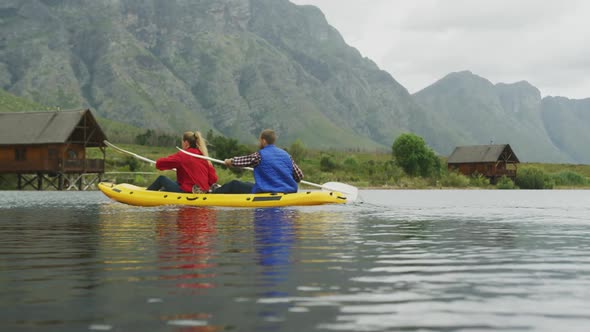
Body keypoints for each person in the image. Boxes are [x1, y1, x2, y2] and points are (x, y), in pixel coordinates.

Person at [214, 129, 303, 194]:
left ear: (264, 141)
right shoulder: (287, 155)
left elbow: (242, 161)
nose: (259, 142)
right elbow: (299, 177)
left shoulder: (259, 155)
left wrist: (229, 161)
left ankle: (211, 193)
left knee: (234, 184)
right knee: (248, 184)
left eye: (259, 140)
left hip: (267, 190)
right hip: (287, 191)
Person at [147, 131, 218, 193]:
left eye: (182, 142)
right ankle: (163, 191)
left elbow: (160, 164)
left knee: (161, 179)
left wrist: (157, 162)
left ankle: (147, 195)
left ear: (186, 143)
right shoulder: (203, 155)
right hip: (202, 192)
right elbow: (213, 179)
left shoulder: (183, 155)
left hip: (188, 191)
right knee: (177, 182)